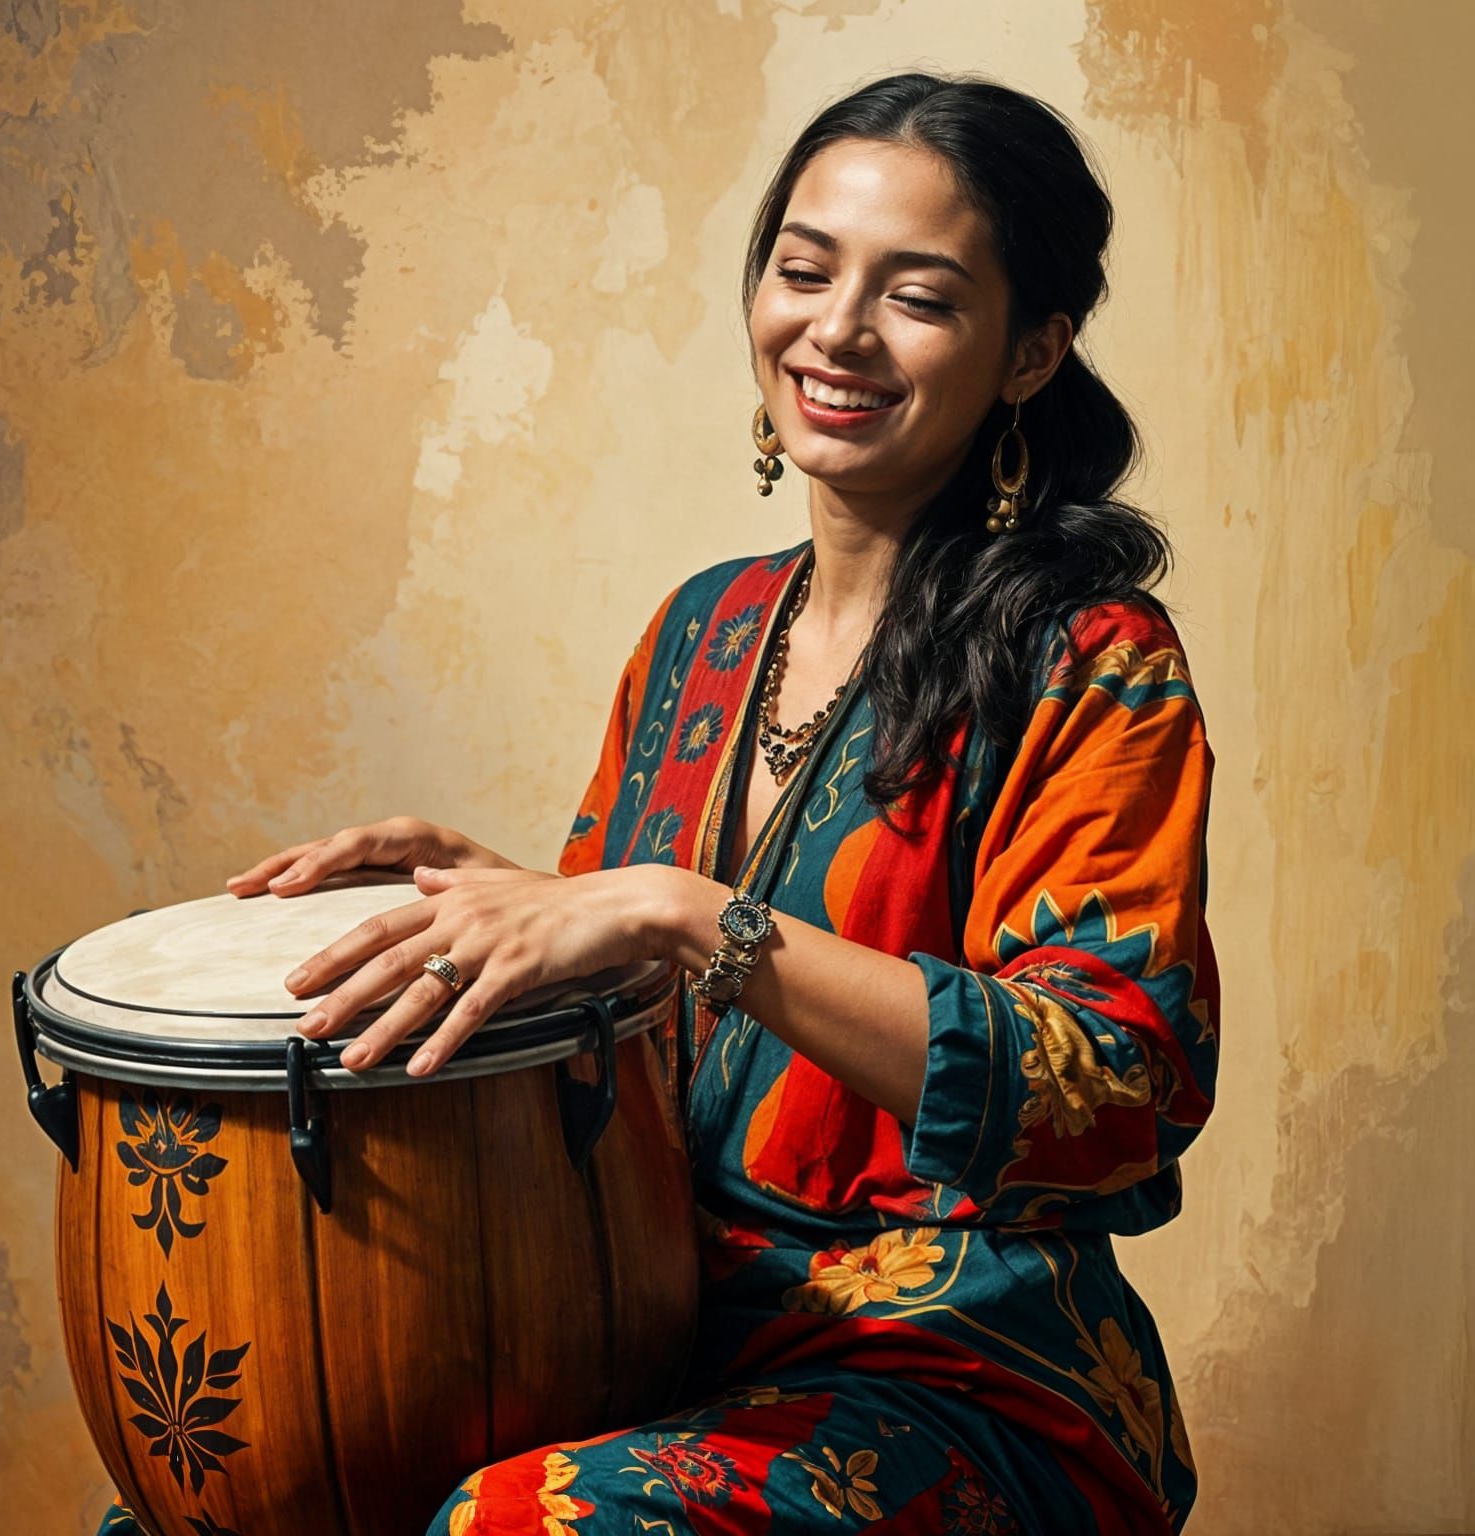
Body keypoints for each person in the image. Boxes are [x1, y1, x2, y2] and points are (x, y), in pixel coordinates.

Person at [99, 70, 1218, 1536]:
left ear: (1031, 353)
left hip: (945, 1357)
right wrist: (509, 899)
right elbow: (637, 1037)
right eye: (803, 270)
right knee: (210, 1509)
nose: (835, 330)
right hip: (641, 1302)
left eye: (920, 296)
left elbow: (1116, 1088)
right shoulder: (700, 629)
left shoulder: (1096, 663)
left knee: (533, 1527)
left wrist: (688, 915)